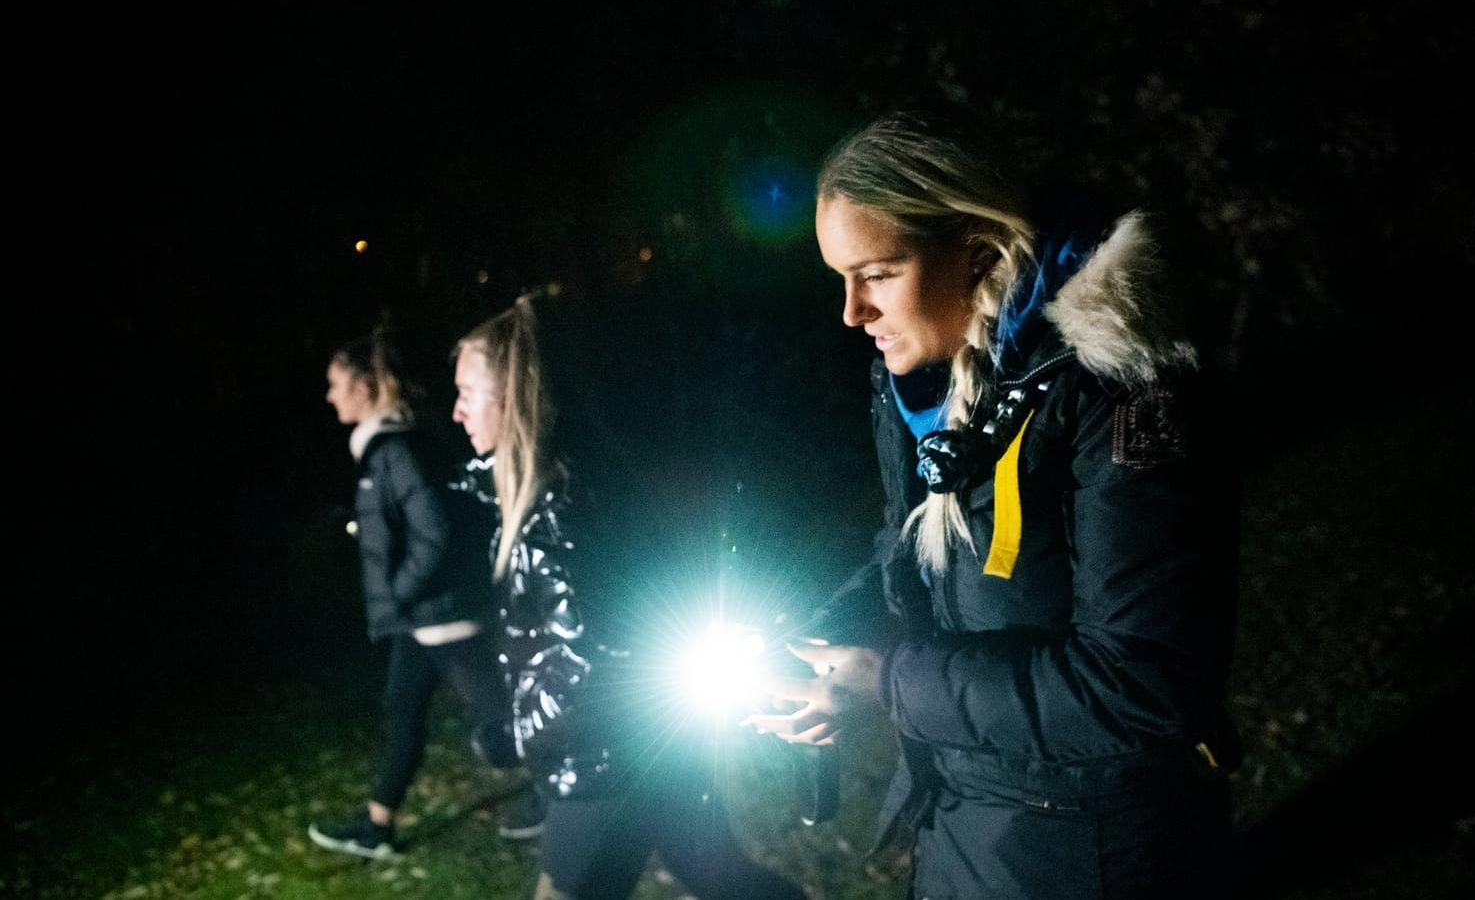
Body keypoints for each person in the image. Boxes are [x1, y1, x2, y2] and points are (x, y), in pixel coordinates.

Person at [745, 111, 1240, 898]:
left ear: (977, 248)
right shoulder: (926, 381)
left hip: (1088, 850)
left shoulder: (1114, 389)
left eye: (875, 274)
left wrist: (888, 683)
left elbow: (1139, 688)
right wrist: (823, 636)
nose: (851, 313)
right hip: (971, 825)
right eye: (839, 278)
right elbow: (914, 549)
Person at [451, 297, 803, 900]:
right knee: (719, 878)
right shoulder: (555, 496)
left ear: (510, 397)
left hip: (606, 768)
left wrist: (518, 732)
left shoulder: (554, 519)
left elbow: (592, 665)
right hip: (647, 751)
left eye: (467, 392)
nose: (456, 412)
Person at [308, 333, 533, 861]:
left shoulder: (396, 450)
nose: (329, 395)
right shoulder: (388, 447)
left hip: (441, 618)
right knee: (404, 710)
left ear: (364, 387)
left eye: (335, 383)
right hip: (424, 619)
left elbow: (433, 532)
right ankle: (377, 823)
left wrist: (398, 592)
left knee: (499, 714)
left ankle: (562, 794)